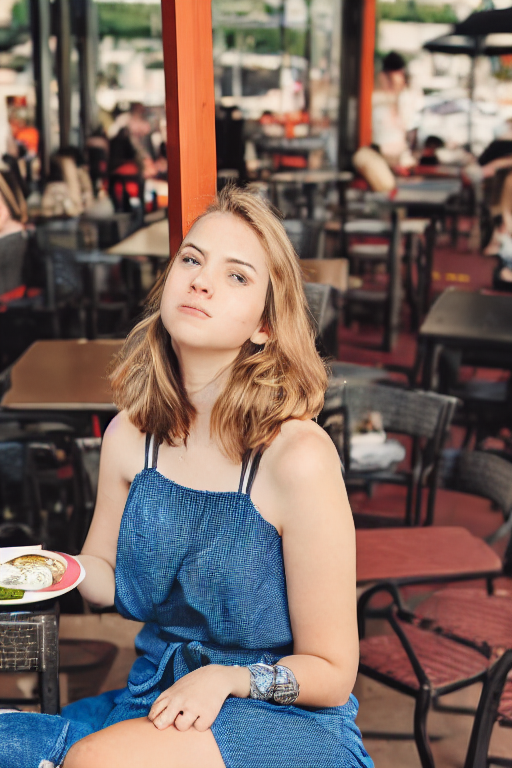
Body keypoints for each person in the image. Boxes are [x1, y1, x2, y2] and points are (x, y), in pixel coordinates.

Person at [0, 186, 373, 768]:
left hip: (280, 719)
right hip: (158, 701)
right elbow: (103, 574)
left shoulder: (297, 456)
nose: (201, 281)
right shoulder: (129, 436)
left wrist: (228, 678)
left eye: (237, 276)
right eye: (192, 260)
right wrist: (44, 571)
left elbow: (332, 672)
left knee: (94, 762)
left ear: (265, 326)